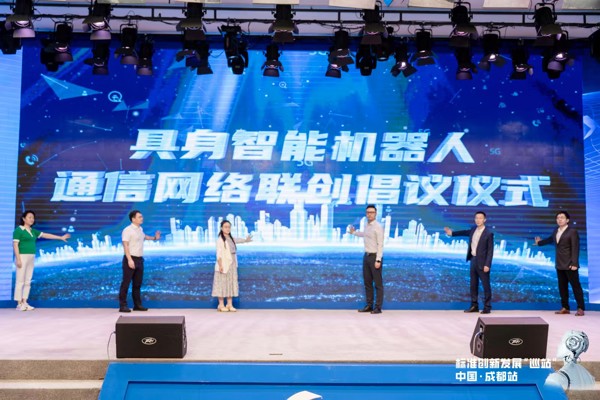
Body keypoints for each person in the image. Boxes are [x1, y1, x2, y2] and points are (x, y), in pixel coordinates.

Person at [13, 210, 70, 311]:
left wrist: (60, 237)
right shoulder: (18, 230)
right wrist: (18, 259)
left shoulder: (33, 231)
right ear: (24, 219)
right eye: (29, 217)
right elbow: (15, 245)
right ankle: (19, 304)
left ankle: (25, 302)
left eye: (33, 217)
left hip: (31, 257)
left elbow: (46, 235)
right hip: (22, 256)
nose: (32, 219)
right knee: (20, 281)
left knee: (28, 281)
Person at [534, 211, 585, 316]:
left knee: (575, 286)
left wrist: (574, 263)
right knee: (562, 287)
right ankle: (565, 307)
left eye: (562, 217)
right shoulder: (556, 231)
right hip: (559, 263)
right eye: (558, 218)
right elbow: (550, 240)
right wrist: (539, 243)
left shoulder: (572, 231)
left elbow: (575, 247)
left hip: (570, 264)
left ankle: (580, 308)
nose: (559, 219)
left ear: (567, 220)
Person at [444, 211, 494, 314]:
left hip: (483, 263)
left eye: (480, 218)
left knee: (486, 285)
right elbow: (463, 232)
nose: (478, 220)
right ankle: (474, 306)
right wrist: (452, 233)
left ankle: (487, 307)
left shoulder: (488, 233)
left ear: (484, 220)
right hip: (473, 260)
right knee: (473, 284)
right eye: (476, 218)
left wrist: (487, 264)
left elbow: (490, 251)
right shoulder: (473, 230)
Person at [119, 210, 160, 313]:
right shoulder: (127, 230)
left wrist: (155, 238)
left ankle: (137, 305)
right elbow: (125, 245)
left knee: (137, 284)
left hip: (139, 259)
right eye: (139, 217)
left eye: (142, 216)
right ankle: (123, 305)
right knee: (126, 283)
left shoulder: (140, 229)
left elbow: (144, 237)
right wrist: (129, 260)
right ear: (133, 219)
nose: (142, 218)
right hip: (130, 258)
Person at [349, 205, 385, 314]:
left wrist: (378, 260)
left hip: (375, 257)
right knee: (368, 283)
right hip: (367, 256)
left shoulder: (378, 227)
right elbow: (365, 235)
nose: (369, 214)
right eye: (368, 212)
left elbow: (380, 244)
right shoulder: (367, 225)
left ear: (375, 214)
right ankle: (369, 305)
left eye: (372, 212)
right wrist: (354, 233)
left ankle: (378, 307)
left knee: (378, 284)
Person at [212, 220, 252, 312]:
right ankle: (221, 305)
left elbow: (238, 240)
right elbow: (219, 254)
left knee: (230, 283)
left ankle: (229, 304)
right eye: (225, 227)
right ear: (221, 228)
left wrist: (246, 240)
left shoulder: (230, 238)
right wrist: (220, 265)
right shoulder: (220, 240)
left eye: (229, 227)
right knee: (222, 284)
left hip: (232, 263)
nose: (227, 229)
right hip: (224, 264)